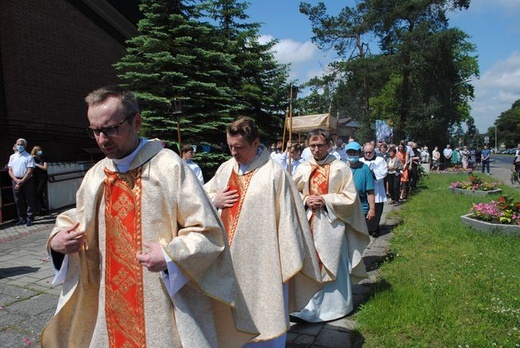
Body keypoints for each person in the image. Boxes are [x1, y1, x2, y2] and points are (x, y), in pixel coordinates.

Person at [41, 86, 254, 347]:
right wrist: (57, 241)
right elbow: (80, 217)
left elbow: (208, 231)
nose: (102, 139)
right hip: (109, 305)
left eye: (111, 128)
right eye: (95, 130)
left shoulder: (169, 166)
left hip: (161, 302)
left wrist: (170, 255)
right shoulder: (96, 175)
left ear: (137, 122)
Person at [203, 116, 322, 346]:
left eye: (239, 147)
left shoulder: (274, 174)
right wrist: (214, 200)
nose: (233, 152)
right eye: (230, 146)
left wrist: (284, 259)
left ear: (256, 143)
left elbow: (290, 222)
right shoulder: (226, 168)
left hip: (264, 265)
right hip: (228, 260)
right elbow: (200, 198)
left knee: (266, 318)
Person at [291, 129, 369, 322]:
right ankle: (306, 308)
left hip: (331, 226)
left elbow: (350, 198)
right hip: (308, 222)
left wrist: (325, 200)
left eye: (320, 145)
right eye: (312, 146)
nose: (316, 150)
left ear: (329, 145)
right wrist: (306, 199)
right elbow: (291, 195)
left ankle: (335, 308)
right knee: (308, 263)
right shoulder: (302, 168)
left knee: (333, 262)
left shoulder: (340, 168)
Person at [360, 142, 388, 237]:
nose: (368, 154)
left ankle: (375, 228)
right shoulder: (360, 161)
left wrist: (371, 173)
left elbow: (383, 173)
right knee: (365, 210)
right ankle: (366, 228)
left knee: (376, 210)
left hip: (376, 189)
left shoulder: (380, 160)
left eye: (370, 152)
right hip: (364, 190)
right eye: (366, 152)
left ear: (374, 152)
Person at [8, 138, 36, 226]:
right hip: (15, 179)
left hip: (26, 180)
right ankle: (21, 218)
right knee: (18, 200)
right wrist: (16, 180)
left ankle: (30, 218)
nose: (19, 146)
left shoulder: (29, 157)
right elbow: (10, 170)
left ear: (25, 146)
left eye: (21, 144)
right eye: (18, 144)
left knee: (29, 199)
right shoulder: (12, 157)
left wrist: (21, 181)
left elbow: (30, 170)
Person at [345, 141, 376, 223]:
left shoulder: (365, 169)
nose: (352, 154)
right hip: (345, 207)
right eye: (350, 152)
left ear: (359, 153)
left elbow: (370, 191)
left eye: (354, 152)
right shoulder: (342, 168)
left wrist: (372, 209)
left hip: (361, 207)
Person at [31, 145, 49, 214]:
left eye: (40, 150)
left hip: (42, 177)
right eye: (38, 150)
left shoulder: (43, 158)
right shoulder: (33, 158)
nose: (40, 151)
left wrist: (36, 164)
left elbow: (45, 168)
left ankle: (44, 207)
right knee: (36, 193)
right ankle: (39, 209)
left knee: (39, 192)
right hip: (35, 177)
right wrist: (33, 159)